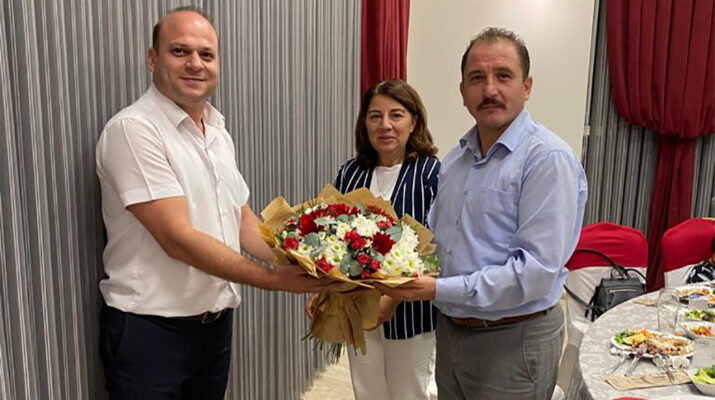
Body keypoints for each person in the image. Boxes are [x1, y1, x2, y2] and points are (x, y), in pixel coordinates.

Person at [96, 7, 331, 399]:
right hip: (150, 332)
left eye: (206, 54)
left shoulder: (217, 131)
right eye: (180, 51)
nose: (195, 64)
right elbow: (177, 238)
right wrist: (272, 279)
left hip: (214, 327)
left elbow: (242, 219)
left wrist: (307, 262)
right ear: (152, 59)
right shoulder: (134, 131)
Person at [377, 28, 587, 400]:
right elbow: (436, 243)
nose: (489, 89)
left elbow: (535, 273)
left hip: (513, 340)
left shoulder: (547, 160)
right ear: (462, 92)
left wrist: (438, 289)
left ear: (527, 86)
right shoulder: (456, 159)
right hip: (452, 332)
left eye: (503, 75)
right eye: (477, 78)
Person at [333, 79, 441, 400]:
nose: (385, 125)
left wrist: (391, 299)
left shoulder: (430, 173)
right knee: (367, 392)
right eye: (375, 116)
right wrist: (324, 288)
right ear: (364, 122)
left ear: (413, 121)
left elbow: (438, 248)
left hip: (411, 314)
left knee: (410, 393)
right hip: (358, 308)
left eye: (396, 115)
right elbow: (334, 238)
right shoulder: (350, 173)